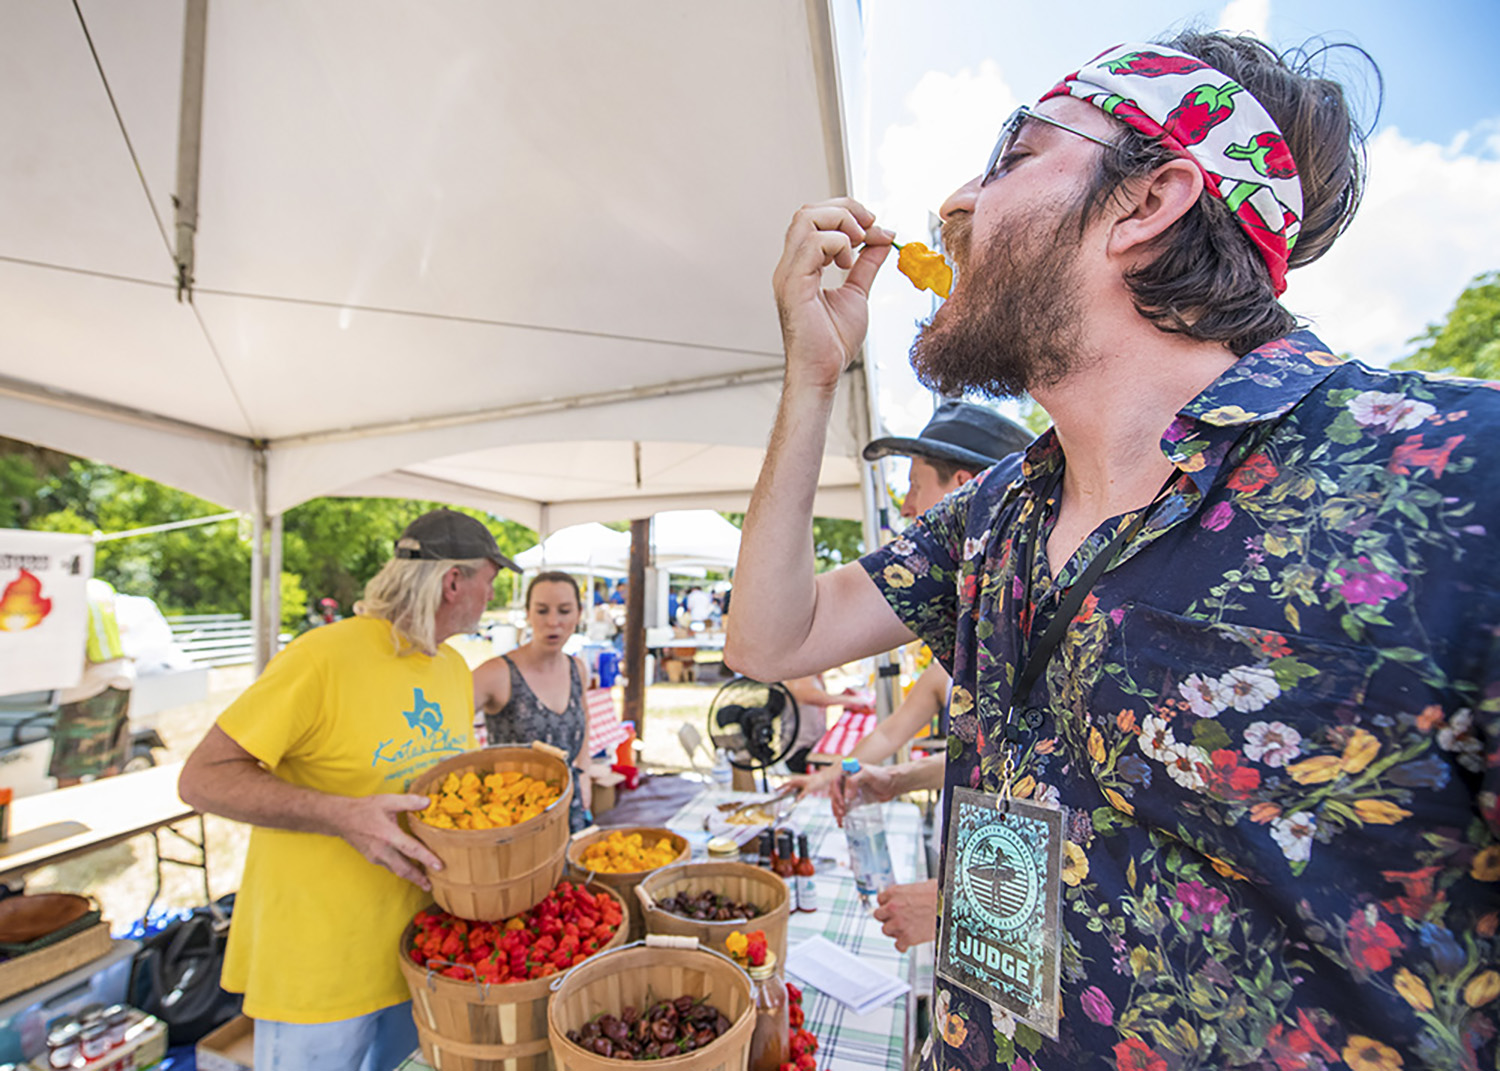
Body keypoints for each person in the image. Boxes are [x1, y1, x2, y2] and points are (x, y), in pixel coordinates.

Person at [729, 31, 1499, 1070]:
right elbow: (773, 638)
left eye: (1011, 155)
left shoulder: (1453, 477)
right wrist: (812, 375)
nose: (957, 202)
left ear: (1148, 202)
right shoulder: (998, 511)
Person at [178, 508, 518, 1071]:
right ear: (454, 582)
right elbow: (201, 778)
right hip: (319, 967)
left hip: (420, 954)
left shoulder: (453, 668)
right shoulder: (321, 656)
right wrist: (340, 814)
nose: (492, 595)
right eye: (491, 578)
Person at [786, 401, 1032, 949]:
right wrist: (875, 779)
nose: (905, 506)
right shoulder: (967, 646)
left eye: (917, 486)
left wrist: (953, 903)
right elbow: (898, 736)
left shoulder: (1051, 641)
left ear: (966, 491)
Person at [472, 571, 594, 832]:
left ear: (579, 613)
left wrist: (584, 771)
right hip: (514, 819)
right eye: (542, 611)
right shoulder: (497, 674)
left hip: (568, 805)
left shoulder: (577, 669)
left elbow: (585, 714)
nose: (553, 622)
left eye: (564, 611)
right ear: (527, 613)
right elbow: (444, 722)